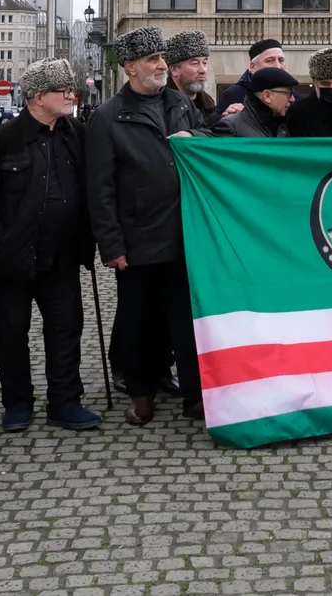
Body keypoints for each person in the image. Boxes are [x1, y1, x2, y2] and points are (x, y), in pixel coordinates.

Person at [0, 57, 101, 433]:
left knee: (67, 329)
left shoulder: (76, 133)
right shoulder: (2, 140)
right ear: (39, 97)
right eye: (64, 91)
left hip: (61, 255)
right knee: (11, 333)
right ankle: (17, 403)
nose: (71, 96)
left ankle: (65, 401)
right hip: (12, 259)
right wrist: (0, 244)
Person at [88, 27, 208, 426]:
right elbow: (100, 188)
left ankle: (195, 393)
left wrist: (194, 133)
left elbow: (207, 138)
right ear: (129, 67)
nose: (160, 65)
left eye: (161, 58)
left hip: (185, 233)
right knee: (138, 323)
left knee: (186, 322)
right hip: (138, 239)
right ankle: (141, 394)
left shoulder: (180, 104)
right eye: (152, 59)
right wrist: (111, 245)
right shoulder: (108, 117)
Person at [213, 67, 297, 137]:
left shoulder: (285, 126)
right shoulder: (230, 128)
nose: (292, 99)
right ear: (267, 96)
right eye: (288, 93)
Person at [215, 39, 286, 112]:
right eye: (269, 61)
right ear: (253, 66)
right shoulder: (233, 95)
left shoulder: (291, 96)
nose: (278, 66)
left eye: (281, 60)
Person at [165, 31, 219, 125]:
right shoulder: (162, 105)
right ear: (174, 70)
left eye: (204, 63)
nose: (203, 70)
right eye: (195, 63)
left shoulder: (208, 104)